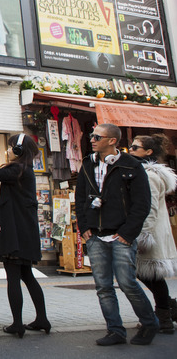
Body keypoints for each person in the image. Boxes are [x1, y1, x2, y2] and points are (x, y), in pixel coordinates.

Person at [74, 123, 158, 346]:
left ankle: (150, 324)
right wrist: (85, 229)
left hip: (121, 235)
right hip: (95, 236)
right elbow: (80, 199)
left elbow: (142, 204)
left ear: (112, 140)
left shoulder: (131, 166)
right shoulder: (87, 164)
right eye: (91, 136)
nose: (92, 139)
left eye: (97, 136)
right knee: (103, 287)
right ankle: (115, 331)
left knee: (127, 282)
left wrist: (127, 233)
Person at [0, 134, 48, 338]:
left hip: (15, 231)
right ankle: (42, 319)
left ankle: (17, 324)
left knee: (13, 277)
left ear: (19, 150)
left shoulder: (17, 170)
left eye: (11, 147)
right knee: (27, 276)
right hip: (25, 231)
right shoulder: (24, 170)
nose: (8, 150)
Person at [128, 134, 177, 333]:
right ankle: (167, 310)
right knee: (149, 277)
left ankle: (164, 316)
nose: (130, 150)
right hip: (150, 231)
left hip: (150, 232)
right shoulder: (144, 173)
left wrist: (143, 235)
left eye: (134, 147)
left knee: (151, 277)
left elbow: (149, 208)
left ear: (148, 152)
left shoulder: (148, 175)